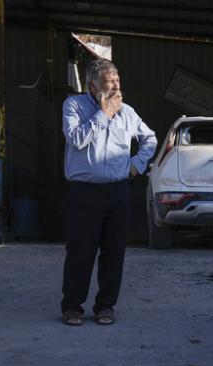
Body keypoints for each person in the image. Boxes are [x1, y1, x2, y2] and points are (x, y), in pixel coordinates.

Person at [60, 58, 156, 326]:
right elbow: (77, 139)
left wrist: (136, 166)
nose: (116, 86)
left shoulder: (128, 112)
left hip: (118, 192)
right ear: (93, 85)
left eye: (118, 80)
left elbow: (150, 139)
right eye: (109, 81)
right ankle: (72, 307)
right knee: (81, 250)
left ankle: (105, 307)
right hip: (85, 193)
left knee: (114, 251)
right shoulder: (74, 106)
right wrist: (103, 113)